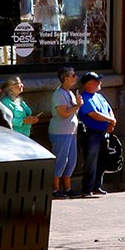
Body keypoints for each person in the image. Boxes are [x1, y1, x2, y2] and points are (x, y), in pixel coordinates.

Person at [73, 72, 116, 198]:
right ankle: (87, 189)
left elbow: (109, 110)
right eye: (96, 81)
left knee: (102, 159)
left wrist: (112, 121)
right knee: (90, 161)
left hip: (103, 132)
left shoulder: (99, 96)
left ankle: (97, 186)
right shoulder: (84, 97)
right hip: (91, 133)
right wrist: (110, 120)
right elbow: (93, 114)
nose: (99, 83)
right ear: (88, 84)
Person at [48, 67, 82, 198]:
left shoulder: (70, 93)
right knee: (61, 160)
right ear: (65, 78)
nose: (76, 77)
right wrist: (77, 106)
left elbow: (72, 111)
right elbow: (63, 113)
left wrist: (77, 105)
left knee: (71, 160)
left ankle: (67, 188)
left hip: (71, 132)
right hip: (60, 132)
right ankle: (55, 189)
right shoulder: (59, 94)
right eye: (73, 75)